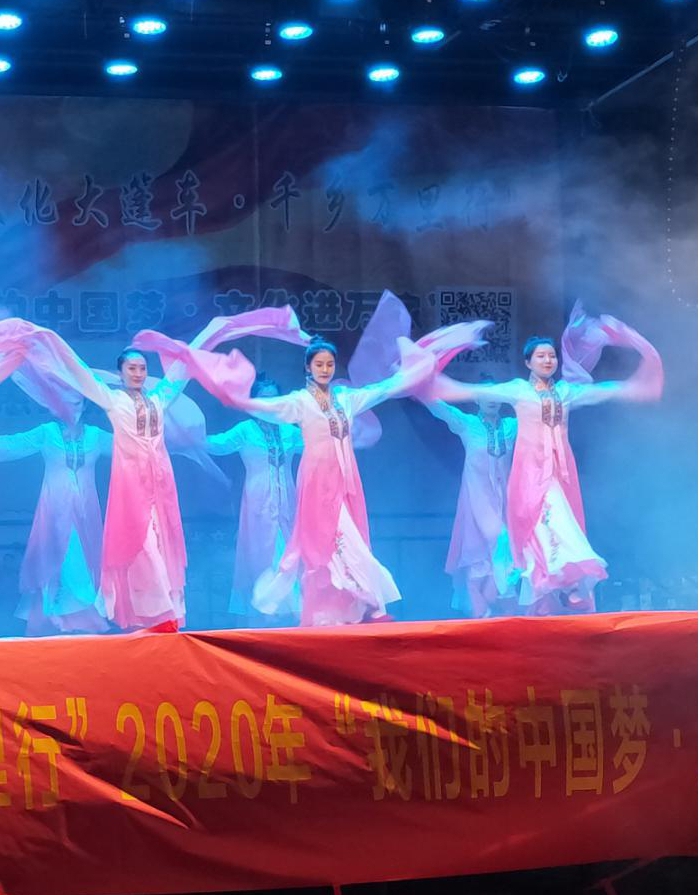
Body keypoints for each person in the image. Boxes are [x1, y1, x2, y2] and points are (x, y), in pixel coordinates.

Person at [133, 323, 448, 626]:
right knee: (308, 547)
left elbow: (380, 391)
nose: (325, 369)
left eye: (329, 364)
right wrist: (213, 414)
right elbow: (249, 418)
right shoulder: (291, 407)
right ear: (308, 368)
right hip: (282, 497)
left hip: (326, 488)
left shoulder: (341, 403)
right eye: (319, 364)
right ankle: (355, 604)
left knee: (329, 545)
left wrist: (410, 372)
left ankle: (341, 605)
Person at [427, 309, 663, 616]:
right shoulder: (516, 391)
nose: (548, 360)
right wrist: (432, 383)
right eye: (540, 356)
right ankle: (550, 592)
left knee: (549, 529)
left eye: (551, 356)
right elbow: (472, 391)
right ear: (528, 362)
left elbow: (597, 392)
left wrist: (632, 388)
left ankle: (549, 597)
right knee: (537, 532)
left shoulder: (561, 394)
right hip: (519, 482)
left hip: (556, 477)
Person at [0, 402, 111, 635]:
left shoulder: (96, 436)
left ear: (84, 405)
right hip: (54, 510)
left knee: (82, 559)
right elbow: (10, 445)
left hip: (86, 513)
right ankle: (65, 619)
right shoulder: (47, 433)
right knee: (57, 558)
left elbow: (133, 449)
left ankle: (74, 621)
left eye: (76, 402)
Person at [206, 373, 303, 623]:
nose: (269, 403)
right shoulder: (246, 430)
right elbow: (216, 445)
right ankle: (265, 609)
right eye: (264, 398)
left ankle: (291, 609)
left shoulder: (290, 431)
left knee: (289, 553)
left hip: (289, 503)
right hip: (258, 503)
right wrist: (186, 436)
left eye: (274, 398)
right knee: (262, 554)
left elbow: (318, 445)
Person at [421, 375, 518, 618]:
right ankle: (483, 606)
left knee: (499, 555)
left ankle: (487, 607)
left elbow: (537, 417)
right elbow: (437, 406)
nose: (492, 399)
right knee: (495, 542)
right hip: (477, 499)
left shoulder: (511, 426)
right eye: (485, 394)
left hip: (505, 500)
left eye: (496, 394)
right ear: (476, 399)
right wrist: (419, 381)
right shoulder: (467, 424)